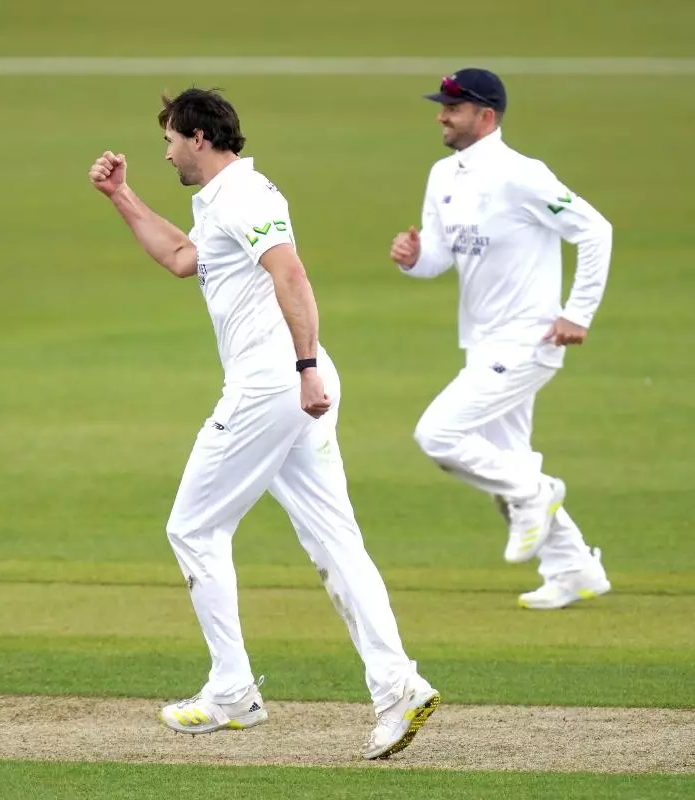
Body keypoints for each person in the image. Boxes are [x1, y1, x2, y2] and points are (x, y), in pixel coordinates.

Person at [88, 88, 439, 759]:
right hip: (292, 381)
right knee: (334, 539)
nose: (165, 152)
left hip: (274, 382)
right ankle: (399, 685)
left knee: (192, 526)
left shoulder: (245, 198)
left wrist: (305, 367)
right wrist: (121, 197)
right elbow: (183, 259)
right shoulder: (223, 201)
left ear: (198, 137)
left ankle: (232, 691)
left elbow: (292, 274)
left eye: (169, 140)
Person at [390, 68, 613, 610]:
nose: (442, 115)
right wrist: (415, 260)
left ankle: (538, 492)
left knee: (439, 434)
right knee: (502, 461)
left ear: (486, 116)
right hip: (483, 340)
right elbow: (442, 256)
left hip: (530, 338)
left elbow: (595, 229)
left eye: (454, 107)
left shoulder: (522, 176)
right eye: (442, 106)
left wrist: (577, 313)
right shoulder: (443, 176)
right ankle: (574, 568)